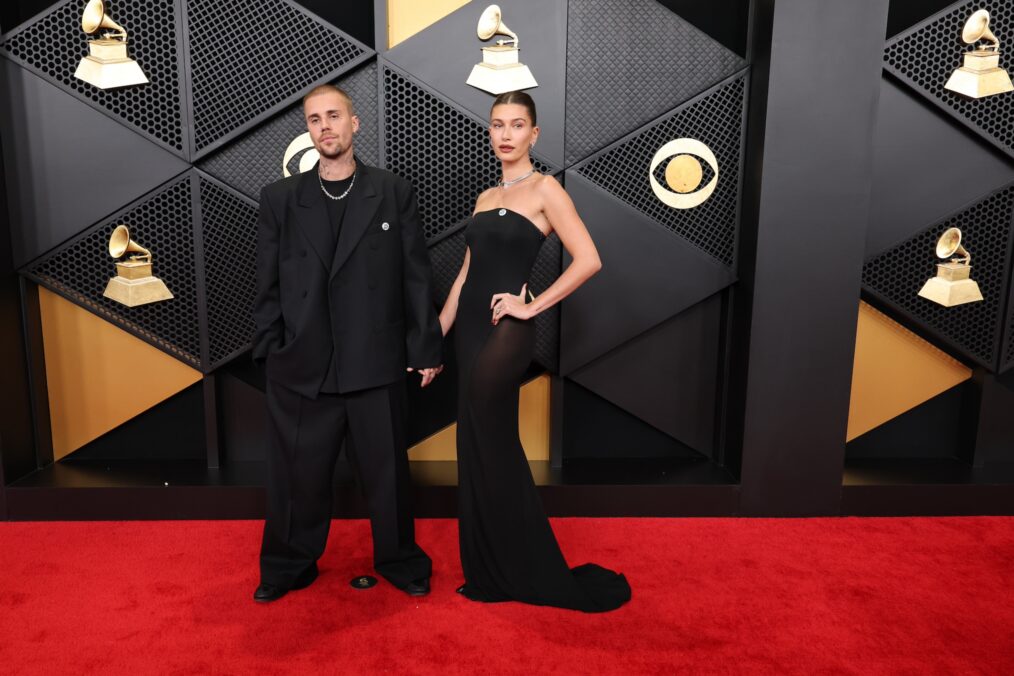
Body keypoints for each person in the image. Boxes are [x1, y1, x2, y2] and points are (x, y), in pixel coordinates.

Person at [438, 91, 631, 612]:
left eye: (517, 125)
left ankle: (520, 567)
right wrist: (434, 336)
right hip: (469, 330)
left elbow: (589, 259)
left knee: (490, 439)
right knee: (474, 443)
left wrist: (532, 307)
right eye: (497, 124)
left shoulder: (546, 189)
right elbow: (464, 277)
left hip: (505, 330)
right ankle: (489, 569)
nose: (505, 134)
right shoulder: (482, 198)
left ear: (534, 134)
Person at [251, 84, 443, 603]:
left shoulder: (393, 192)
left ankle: (401, 561)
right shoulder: (280, 200)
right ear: (308, 130)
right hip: (302, 367)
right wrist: (273, 350)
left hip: (374, 363)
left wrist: (425, 346)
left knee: (388, 477)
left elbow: (415, 278)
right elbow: (267, 283)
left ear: (355, 124)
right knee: (297, 479)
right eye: (315, 120)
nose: (325, 127)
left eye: (334, 116)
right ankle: (287, 566)